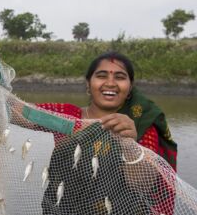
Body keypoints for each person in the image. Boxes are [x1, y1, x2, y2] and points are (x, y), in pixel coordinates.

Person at [37, 52, 177, 215]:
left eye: (120, 77)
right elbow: (22, 113)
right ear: (88, 84)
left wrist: (128, 143)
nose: (110, 83)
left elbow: (143, 185)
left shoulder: (140, 125)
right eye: (101, 75)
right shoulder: (68, 116)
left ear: (130, 87)